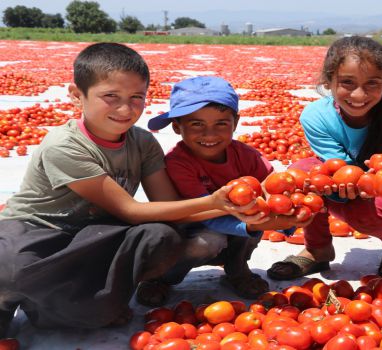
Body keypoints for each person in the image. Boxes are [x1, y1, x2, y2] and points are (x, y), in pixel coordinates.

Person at [0, 43, 258, 337]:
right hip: (38, 230)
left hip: (92, 234)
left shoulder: (142, 142)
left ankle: (58, 304)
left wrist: (241, 210)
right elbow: (130, 210)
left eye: (137, 97)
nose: (126, 109)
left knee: (160, 236)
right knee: (13, 270)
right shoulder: (64, 145)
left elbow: (168, 205)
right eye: (111, 96)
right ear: (76, 95)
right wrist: (218, 203)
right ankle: (9, 300)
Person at [267, 36, 382, 280]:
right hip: (347, 186)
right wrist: (339, 184)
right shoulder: (316, 115)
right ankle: (317, 248)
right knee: (298, 174)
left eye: (372, 83)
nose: (359, 95)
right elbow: (336, 169)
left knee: (364, 211)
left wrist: (358, 184)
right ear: (328, 82)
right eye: (347, 82)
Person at [146, 76, 313, 299]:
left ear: (235, 122)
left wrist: (291, 215)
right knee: (209, 241)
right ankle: (162, 277)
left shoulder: (248, 157)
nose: (210, 135)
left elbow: (274, 194)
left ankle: (237, 269)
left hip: (239, 224)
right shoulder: (178, 163)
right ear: (177, 127)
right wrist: (258, 220)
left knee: (254, 216)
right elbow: (201, 214)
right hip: (191, 229)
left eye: (221, 124)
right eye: (197, 124)